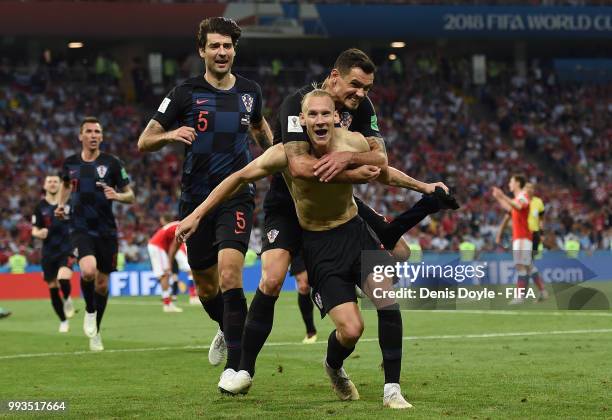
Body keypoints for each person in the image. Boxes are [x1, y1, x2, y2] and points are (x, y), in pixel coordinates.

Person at [199, 48, 457, 394]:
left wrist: (415, 183)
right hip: (290, 202)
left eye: (367, 88)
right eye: (355, 85)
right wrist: (353, 169)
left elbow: (380, 158)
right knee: (273, 278)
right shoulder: (297, 104)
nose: (361, 95)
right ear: (334, 77)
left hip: (338, 203)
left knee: (400, 251)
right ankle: (240, 369)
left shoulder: (360, 108)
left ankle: (343, 285)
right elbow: (301, 166)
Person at [137, 17, 273, 384]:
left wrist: (278, 161)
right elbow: (144, 141)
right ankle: (227, 332)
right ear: (202, 51)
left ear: (234, 50)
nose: (222, 52)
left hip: (236, 195)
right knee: (207, 287)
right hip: (195, 201)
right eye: (214, 46)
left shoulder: (250, 91)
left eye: (227, 46)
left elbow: (259, 128)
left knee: (231, 273)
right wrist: (170, 134)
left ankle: (238, 368)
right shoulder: (184, 93)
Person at [56, 116, 135, 351]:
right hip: (80, 227)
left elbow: (130, 195)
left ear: (101, 136)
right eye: (89, 131)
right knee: (88, 270)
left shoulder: (112, 163)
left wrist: (118, 196)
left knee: (102, 284)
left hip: (106, 230)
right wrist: (60, 206)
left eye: (97, 132)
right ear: (80, 136)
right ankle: (89, 311)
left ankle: (96, 330)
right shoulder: (70, 163)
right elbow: (65, 184)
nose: (93, 135)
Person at [31, 175, 76, 333]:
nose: (52, 184)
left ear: (60, 185)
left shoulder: (69, 203)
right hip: (49, 252)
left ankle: (68, 297)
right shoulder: (40, 207)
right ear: (44, 185)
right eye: (49, 181)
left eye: (55, 181)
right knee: (52, 287)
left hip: (67, 248)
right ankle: (63, 321)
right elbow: (34, 229)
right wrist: (39, 233)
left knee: (63, 278)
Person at [492, 175, 531, 304]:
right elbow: (510, 208)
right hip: (519, 237)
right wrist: (498, 198)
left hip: (523, 237)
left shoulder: (524, 196)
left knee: (521, 266)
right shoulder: (517, 199)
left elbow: (518, 207)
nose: (509, 183)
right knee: (522, 266)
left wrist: (502, 196)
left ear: (518, 183)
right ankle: (523, 296)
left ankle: (521, 297)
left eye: (511, 181)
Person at [147, 214, 194, 312]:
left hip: (157, 246)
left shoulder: (176, 225)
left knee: (165, 275)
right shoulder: (181, 227)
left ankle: (168, 303)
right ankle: (167, 305)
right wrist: (169, 262)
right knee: (164, 274)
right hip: (157, 246)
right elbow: (174, 246)